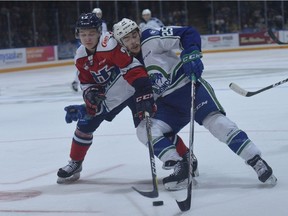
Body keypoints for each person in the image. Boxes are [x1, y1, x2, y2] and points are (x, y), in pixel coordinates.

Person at [113, 18, 277, 189]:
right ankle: (181, 167)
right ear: (120, 43)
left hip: (189, 88)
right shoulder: (124, 64)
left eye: (134, 35)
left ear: (139, 32)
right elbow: (121, 94)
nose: (133, 41)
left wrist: (190, 52)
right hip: (168, 105)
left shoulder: (150, 38)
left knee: (218, 124)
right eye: (127, 39)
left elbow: (187, 33)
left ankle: (256, 160)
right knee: (144, 130)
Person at [57, 12, 195, 186]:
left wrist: (144, 91)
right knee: (85, 123)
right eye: (83, 34)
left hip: (135, 90)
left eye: (91, 33)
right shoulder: (80, 56)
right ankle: (75, 163)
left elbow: (132, 67)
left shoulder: (110, 44)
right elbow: (86, 81)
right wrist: (90, 93)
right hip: (111, 96)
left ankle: (185, 158)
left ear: (99, 32)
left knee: (150, 128)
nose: (87, 38)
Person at [71, 8, 107, 92]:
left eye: (99, 14)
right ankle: (76, 81)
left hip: (100, 46)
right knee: (83, 66)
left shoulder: (102, 25)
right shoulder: (81, 52)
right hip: (89, 49)